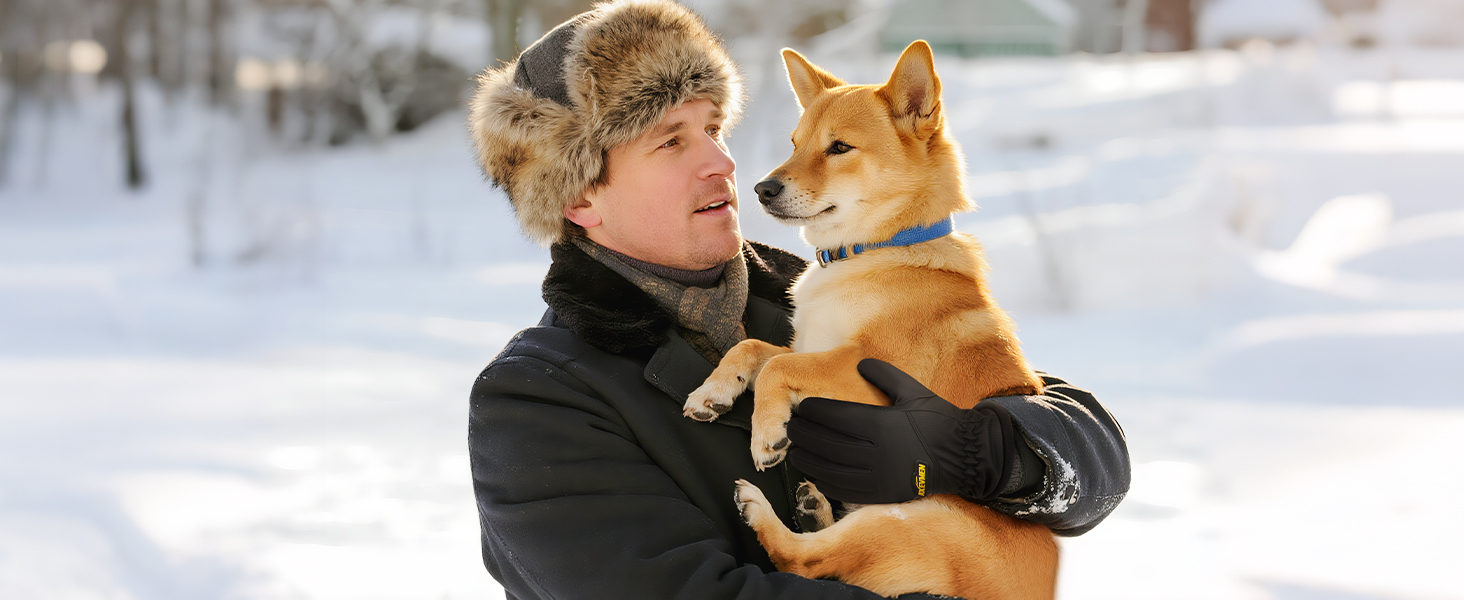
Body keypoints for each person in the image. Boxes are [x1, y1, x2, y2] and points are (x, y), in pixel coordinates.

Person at [466, 1, 1129, 598]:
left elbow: (1096, 460)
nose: (723, 162)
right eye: (672, 141)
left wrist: (979, 452)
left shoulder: (812, 286)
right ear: (580, 195)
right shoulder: (535, 402)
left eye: (713, 128)